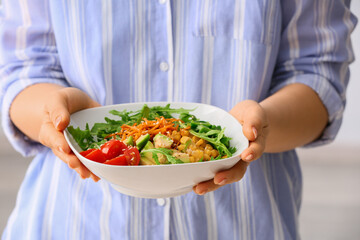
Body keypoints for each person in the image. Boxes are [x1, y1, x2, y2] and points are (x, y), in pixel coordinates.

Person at [0, 0, 357, 239]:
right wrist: (55, 112)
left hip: (241, 222)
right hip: (73, 221)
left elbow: (317, 72)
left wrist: (259, 126)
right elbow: (22, 67)